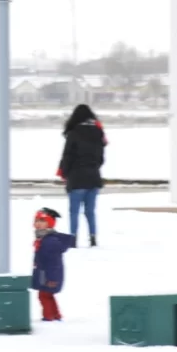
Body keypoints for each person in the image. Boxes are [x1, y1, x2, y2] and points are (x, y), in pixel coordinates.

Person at [57, 104, 108, 246]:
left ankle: (73, 239)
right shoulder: (98, 132)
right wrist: (93, 168)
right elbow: (101, 158)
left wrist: (65, 172)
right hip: (94, 178)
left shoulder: (73, 133)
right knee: (90, 211)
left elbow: (67, 156)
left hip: (76, 178)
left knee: (74, 211)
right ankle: (92, 238)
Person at [31, 208, 75, 322]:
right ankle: (56, 315)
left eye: (42, 220)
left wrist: (52, 278)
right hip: (44, 273)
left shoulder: (49, 241)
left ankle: (48, 316)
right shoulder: (43, 238)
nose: (38, 223)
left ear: (50, 223)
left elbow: (53, 262)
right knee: (48, 295)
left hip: (48, 275)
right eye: (37, 220)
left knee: (44, 296)